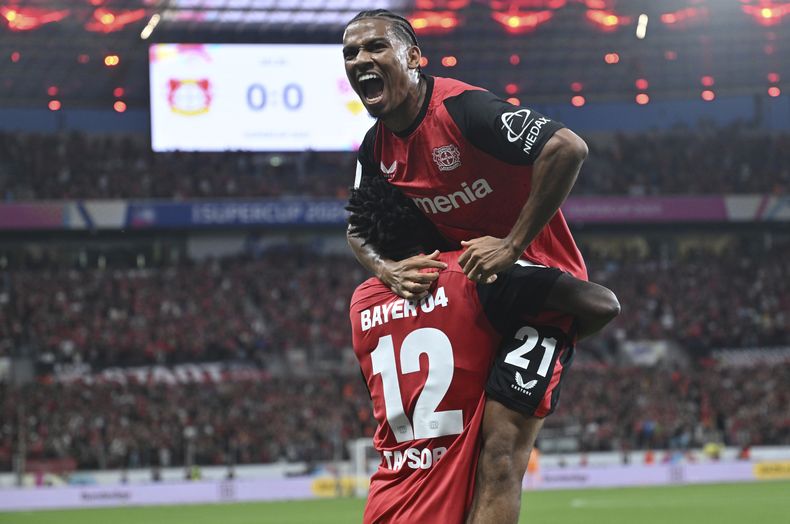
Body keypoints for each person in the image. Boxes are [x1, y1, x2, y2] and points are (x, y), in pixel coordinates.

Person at [342, 9, 596, 522]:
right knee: (455, 455)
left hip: (539, 290)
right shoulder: (376, 147)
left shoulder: (463, 110)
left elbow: (567, 147)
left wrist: (512, 244)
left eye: (375, 47)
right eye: (350, 53)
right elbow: (356, 229)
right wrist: (387, 270)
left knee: (499, 452)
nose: (360, 59)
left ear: (414, 57)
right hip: (473, 292)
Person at [347, 175, 619, 523]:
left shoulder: (361, 303)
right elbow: (603, 305)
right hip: (444, 510)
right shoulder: (470, 272)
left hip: (384, 506)